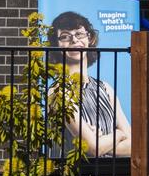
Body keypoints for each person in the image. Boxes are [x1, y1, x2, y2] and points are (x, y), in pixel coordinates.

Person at [48, 11, 131, 158]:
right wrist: (118, 134)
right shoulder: (58, 91)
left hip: (110, 172)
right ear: (57, 45)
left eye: (79, 34)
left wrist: (101, 144)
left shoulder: (105, 88)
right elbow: (92, 149)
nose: (74, 40)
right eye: (65, 36)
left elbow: (133, 144)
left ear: (90, 38)